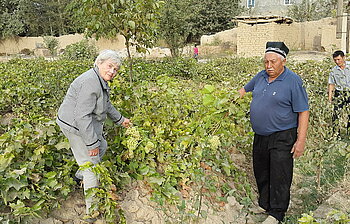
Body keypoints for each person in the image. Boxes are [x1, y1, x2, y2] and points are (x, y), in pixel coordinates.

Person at [56, 49, 132, 223]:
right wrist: (91, 144)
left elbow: (106, 104)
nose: (112, 71)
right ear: (99, 63)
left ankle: (78, 176)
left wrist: (121, 120)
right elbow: (81, 116)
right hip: (74, 125)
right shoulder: (90, 82)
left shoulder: (99, 80)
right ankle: (92, 212)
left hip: (81, 121)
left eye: (116, 69)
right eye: (109, 66)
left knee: (102, 146)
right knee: (92, 166)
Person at [238, 42, 309, 224]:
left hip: (283, 135)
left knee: (280, 173)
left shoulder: (293, 81)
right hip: (261, 135)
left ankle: (277, 214)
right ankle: (265, 205)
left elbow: (303, 111)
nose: (269, 66)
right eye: (266, 62)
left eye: (273, 62)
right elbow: (243, 90)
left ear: (283, 61)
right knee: (261, 170)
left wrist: (300, 141)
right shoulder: (261, 76)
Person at [328, 50, 350, 135]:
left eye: (339, 59)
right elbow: (331, 84)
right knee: (336, 113)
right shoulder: (334, 70)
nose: (337, 62)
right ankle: (336, 134)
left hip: (349, 91)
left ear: (344, 58)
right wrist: (330, 98)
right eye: (335, 60)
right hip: (339, 93)